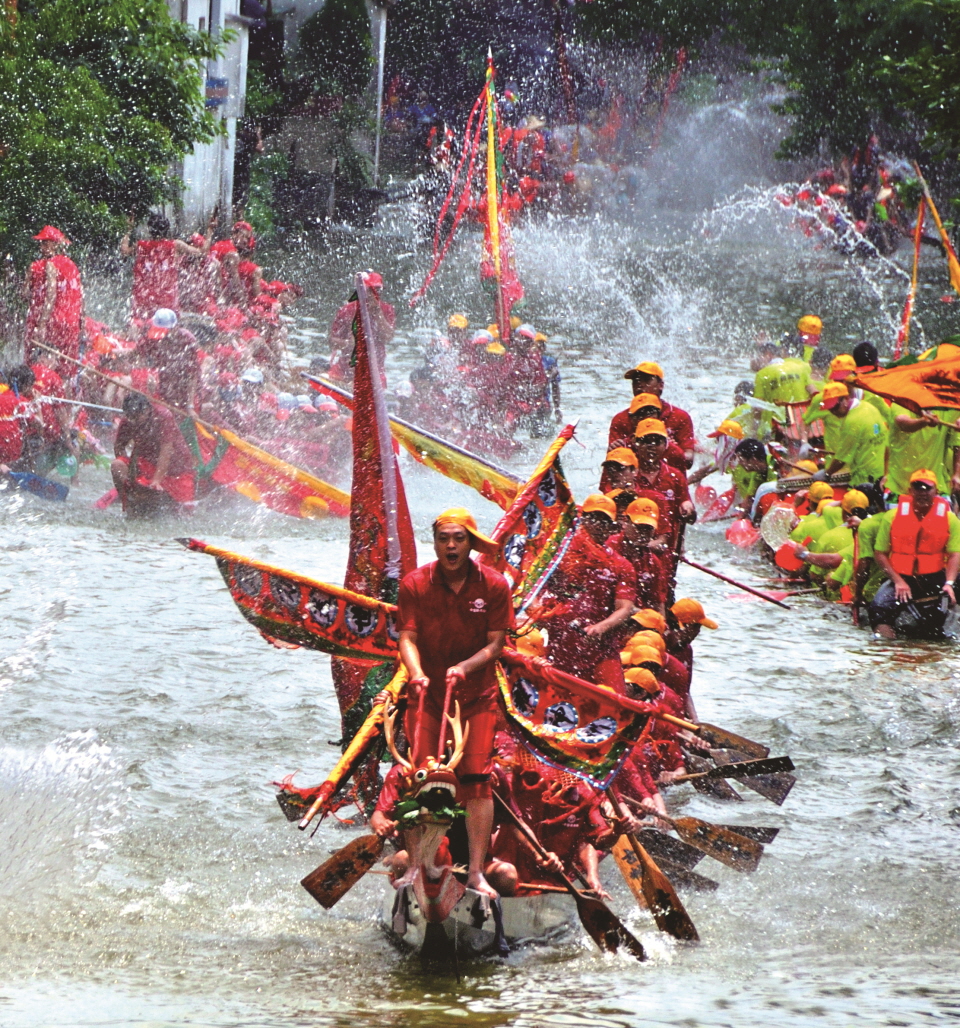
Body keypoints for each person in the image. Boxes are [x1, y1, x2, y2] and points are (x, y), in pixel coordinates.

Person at [395, 508, 514, 899]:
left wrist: (464, 666)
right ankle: (416, 866)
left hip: (476, 697)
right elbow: (407, 638)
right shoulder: (414, 583)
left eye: (458, 539)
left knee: (478, 782)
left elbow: (497, 643)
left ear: (470, 544)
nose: (450, 545)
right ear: (435, 542)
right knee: (421, 779)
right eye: (444, 538)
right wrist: (415, 672)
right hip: (428, 696)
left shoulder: (495, 585)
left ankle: (477, 871)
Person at [537, 494, 637, 692]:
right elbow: (535, 589)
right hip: (560, 644)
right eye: (594, 518)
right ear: (582, 519)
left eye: (605, 521)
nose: (599, 525)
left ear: (612, 527)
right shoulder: (558, 553)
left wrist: (601, 627)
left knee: (615, 702)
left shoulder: (621, 565)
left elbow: (625, 608)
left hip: (602, 649)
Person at [869, 470, 960, 639]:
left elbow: (955, 554)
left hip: (935, 577)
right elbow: (880, 553)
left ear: (936, 491)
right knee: (878, 608)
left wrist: (949, 583)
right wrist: (898, 581)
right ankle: (888, 648)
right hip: (902, 577)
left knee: (938, 621)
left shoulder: (950, 519)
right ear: (910, 491)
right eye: (918, 488)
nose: (923, 493)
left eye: (927, 488)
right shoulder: (892, 517)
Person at [111, 392, 197, 514]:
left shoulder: (163, 416)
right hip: (147, 464)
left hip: (177, 470)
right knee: (117, 465)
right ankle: (129, 504)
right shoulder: (128, 420)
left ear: (146, 410)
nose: (133, 421)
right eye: (130, 417)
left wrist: (156, 480)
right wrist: (130, 476)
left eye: (136, 417)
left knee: (184, 514)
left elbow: (166, 451)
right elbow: (119, 446)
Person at [121, 212, 211, 323]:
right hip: (167, 300)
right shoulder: (175, 245)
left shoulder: (141, 246)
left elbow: (124, 251)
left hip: (144, 300)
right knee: (168, 329)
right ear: (167, 229)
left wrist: (128, 229)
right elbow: (202, 252)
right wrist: (210, 229)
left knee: (141, 329)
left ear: (150, 229)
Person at [23, 226, 83, 384]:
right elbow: (79, 296)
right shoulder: (73, 266)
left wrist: (42, 324)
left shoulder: (49, 264)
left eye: (44, 243)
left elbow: (51, 295)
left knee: (41, 366)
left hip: (55, 322)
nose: (41, 246)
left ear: (55, 245)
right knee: (67, 371)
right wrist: (80, 320)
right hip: (72, 324)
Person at [612, 362, 695, 468]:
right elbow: (613, 465)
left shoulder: (680, 417)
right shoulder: (620, 419)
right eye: (636, 381)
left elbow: (688, 462)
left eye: (646, 380)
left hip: (669, 479)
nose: (640, 385)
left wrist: (670, 448)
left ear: (661, 385)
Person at [328, 271, 396, 384]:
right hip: (344, 370)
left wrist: (377, 313)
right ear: (361, 290)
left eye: (377, 290)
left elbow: (387, 337)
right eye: (369, 290)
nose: (373, 294)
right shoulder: (347, 310)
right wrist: (348, 344)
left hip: (374, 372)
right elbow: (332, 341)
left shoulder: (386, 310)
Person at [820, 383, 888, 485]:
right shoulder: (868, 406)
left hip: (863, 478)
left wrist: (826, 474)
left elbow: (841, 459)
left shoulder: (851, 422)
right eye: (830, 409)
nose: (834, 412)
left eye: (836, 407)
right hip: (880, 472)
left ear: (846, 398)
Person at [135, 309, 202, 413]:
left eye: (165, 331)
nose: (162, 335)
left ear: (175, 327)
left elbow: (192, 375)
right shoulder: (154, 337)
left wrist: (190, 406)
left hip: (187, 391)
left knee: (187, 420)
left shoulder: (186, 340)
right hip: (164, 387)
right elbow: (137, 354)